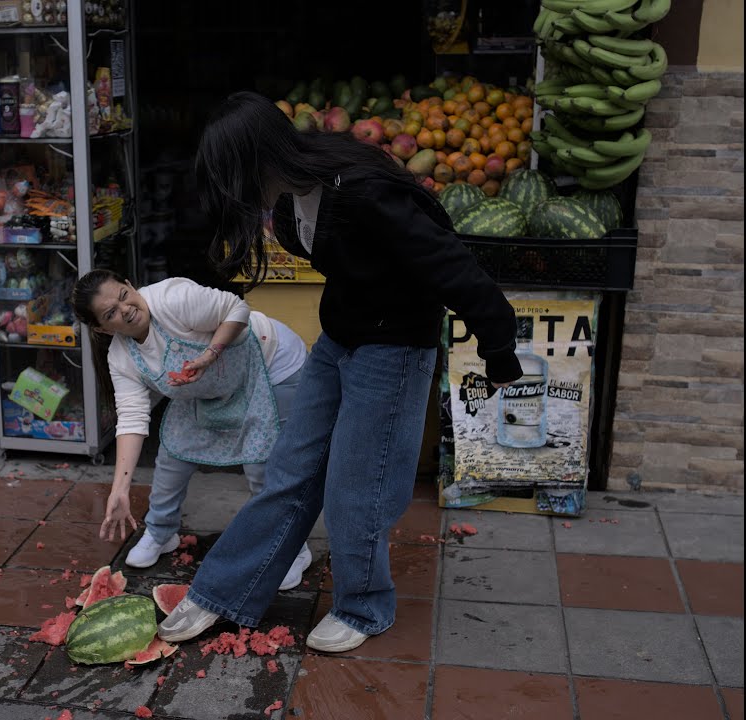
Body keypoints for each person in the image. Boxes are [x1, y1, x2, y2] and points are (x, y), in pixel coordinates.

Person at [157, 90, 524, 652]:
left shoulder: (363, 192)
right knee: (289, 470)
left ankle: (363, 606)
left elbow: (450, 263)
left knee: (358, 487)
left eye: (232, 176)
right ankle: (224, 592)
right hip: (340, 338)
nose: (232, 191)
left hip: (394, 347)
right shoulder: (289, 199)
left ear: (258, 160)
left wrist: (499, 348)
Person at [70, 269, 313, 589]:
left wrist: (210, 355)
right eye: (111, 313)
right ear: (102, 328)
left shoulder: (171, 298)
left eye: (124, 296)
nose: (126, 309)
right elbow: (131, 417)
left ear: (130, 285)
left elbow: (237, 308)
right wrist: (120, 489)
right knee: (174, 451)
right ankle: (161, 532)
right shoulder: (121, 357)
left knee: (262, 466)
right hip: (209, 385)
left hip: (271, 364)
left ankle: (294, 550)